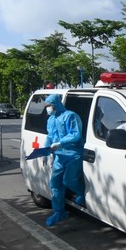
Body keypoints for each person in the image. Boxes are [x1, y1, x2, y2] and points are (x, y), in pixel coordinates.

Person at [43, 94, 85, 227]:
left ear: (55, 105)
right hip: (59, 156)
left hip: (73, 154)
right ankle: (59, 211)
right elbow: (49, 137)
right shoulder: (51, 119)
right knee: (55, 184)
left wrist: (60, 143)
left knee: (70, 180)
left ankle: (81, 194)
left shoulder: (70, 116)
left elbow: (76, 134)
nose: (47, 108)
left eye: (48, 105)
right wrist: (45, 152)